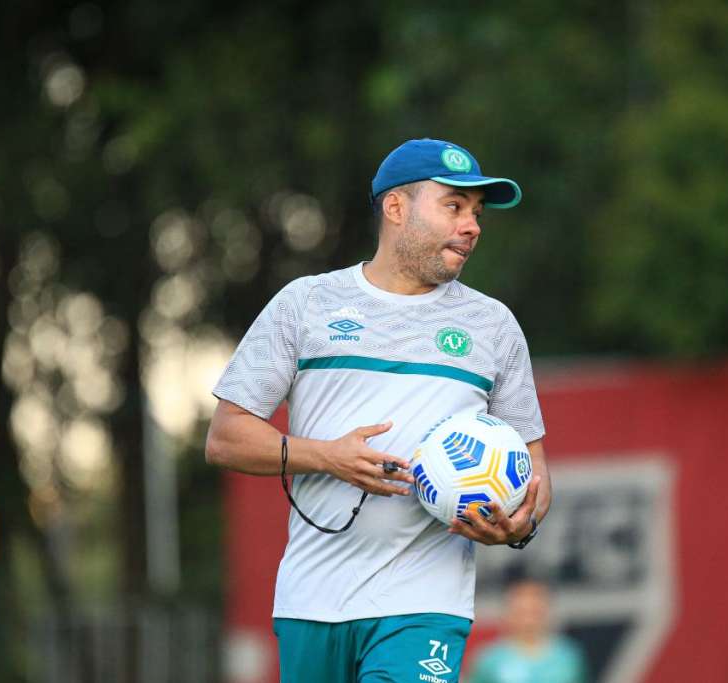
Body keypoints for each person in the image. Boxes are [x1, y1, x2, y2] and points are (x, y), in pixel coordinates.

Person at [205, 138, 551, 683]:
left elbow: (536, 478)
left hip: (426, 604)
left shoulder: (494, 327)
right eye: (454, 206)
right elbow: (225, 438)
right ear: (396, 208)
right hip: (312, 601)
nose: (471, 226)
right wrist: (326, 457)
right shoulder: (305, 304)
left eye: (477, 214)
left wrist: (516, 527)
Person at [467, 578, 588, 683]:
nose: (528, 621)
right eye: (521, 612)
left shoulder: (568, 655)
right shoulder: (489, 658)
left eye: (534, 612)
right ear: (508, 614)